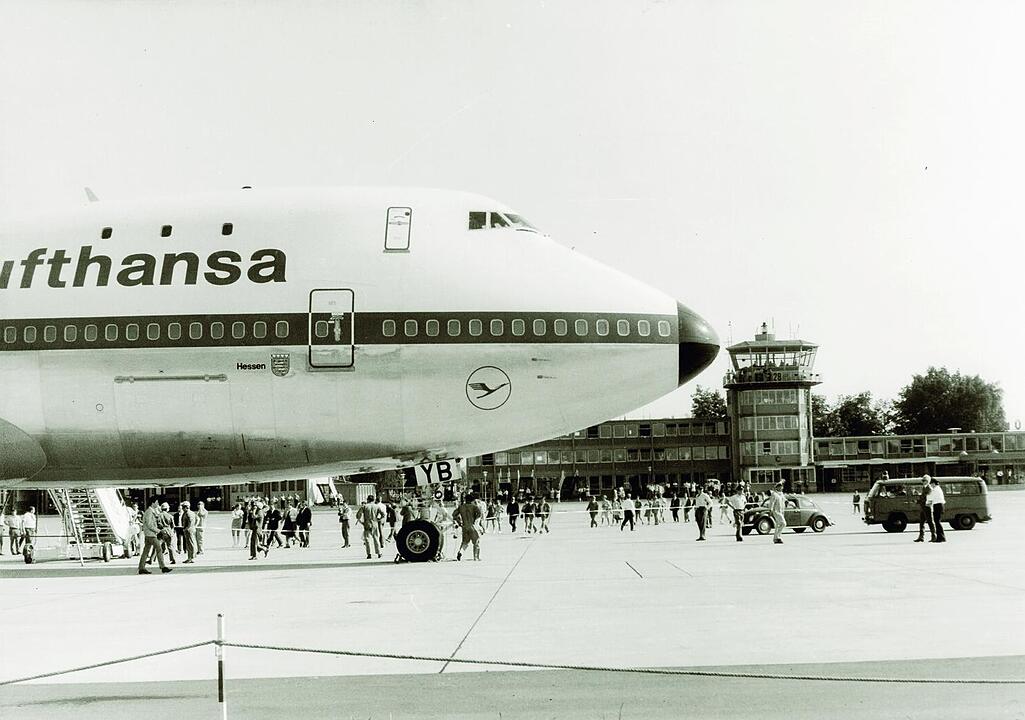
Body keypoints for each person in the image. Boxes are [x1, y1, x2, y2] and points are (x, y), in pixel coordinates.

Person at [137, 498, 172, 575]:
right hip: (151, 535)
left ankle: (141, 567)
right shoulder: (149, 512)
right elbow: (149, 525)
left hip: (149, 534)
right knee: (159, 549)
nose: (158, 504)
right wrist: (159, 531)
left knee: (146, 551)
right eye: (157, 502)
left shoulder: (151, 511)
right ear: (153, 503)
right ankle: (163, 567)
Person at [452, 494, 483, 561]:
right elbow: (480, 514)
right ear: (472, 500)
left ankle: (460, 552)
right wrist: (476, 522)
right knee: (476, 542)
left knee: (465, 542)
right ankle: (476, 557)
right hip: (472, 526)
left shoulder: (461, 507)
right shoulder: (474, 507)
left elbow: (454, 514)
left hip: (464, 526)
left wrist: (459, 522)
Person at [914, 476, 935, 543]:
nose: (922, 482)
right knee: (922, 522)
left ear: (927, 481)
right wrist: (918, 500)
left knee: (930, 522)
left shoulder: (929, 488)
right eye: (922, 481)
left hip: (927, 507)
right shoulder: (924, 488)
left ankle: (934, 536)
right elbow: (923, 497)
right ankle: (921, 537)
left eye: (924, 480)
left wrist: (919, 501)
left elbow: (928, 498)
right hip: (923, 507)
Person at [929, 478, 947, 543]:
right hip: (938, 506)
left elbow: (931, 498)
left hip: (938, 506)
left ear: (933, 483)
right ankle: (940, 537)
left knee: (937, 522)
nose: (930, 485)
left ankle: (941, 538)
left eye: (930, 484)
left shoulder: (935, 489)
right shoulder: (937, 488)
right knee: (937, 522)